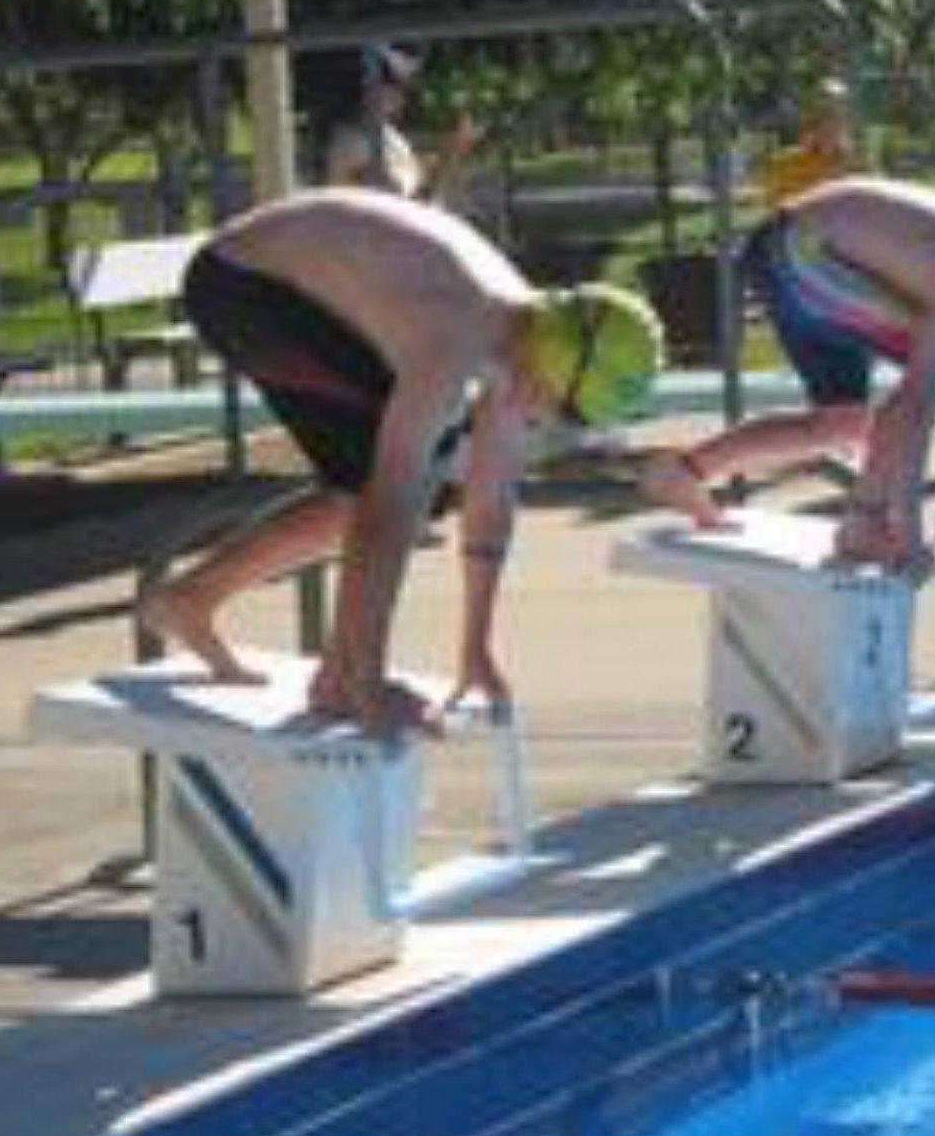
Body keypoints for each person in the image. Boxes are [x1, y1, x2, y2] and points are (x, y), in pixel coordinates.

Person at [140, 188, 663, 738]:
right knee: (396, 483)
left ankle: (192, 600)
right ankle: (344, 679)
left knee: (418, 486)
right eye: (566, 406)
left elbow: (489, 496)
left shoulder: (528, 334)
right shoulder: (453, 335)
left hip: (301, 283)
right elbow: (388, 504)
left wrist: (475, 649)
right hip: (240, 284)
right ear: (556, 363)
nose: (551, 417)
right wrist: (371, 686)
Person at [636, 176, 935, 574]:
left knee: (843, 423)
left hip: (800, 248)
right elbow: (915, 413)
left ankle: (683, 472)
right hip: (801, 255)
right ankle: (865, 521)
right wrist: (911, 538)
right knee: (921, 390)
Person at [319, 43, 479, 208]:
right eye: (393, 83)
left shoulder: (387, 137)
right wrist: (451, 154)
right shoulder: (353, 140)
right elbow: (406, 207)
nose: (401, 95)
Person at [756, 77, 858, 209]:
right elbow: (774, 206)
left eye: (836, 121)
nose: (829, 131)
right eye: (823, 120)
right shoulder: (785, 163)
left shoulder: (853, 166)